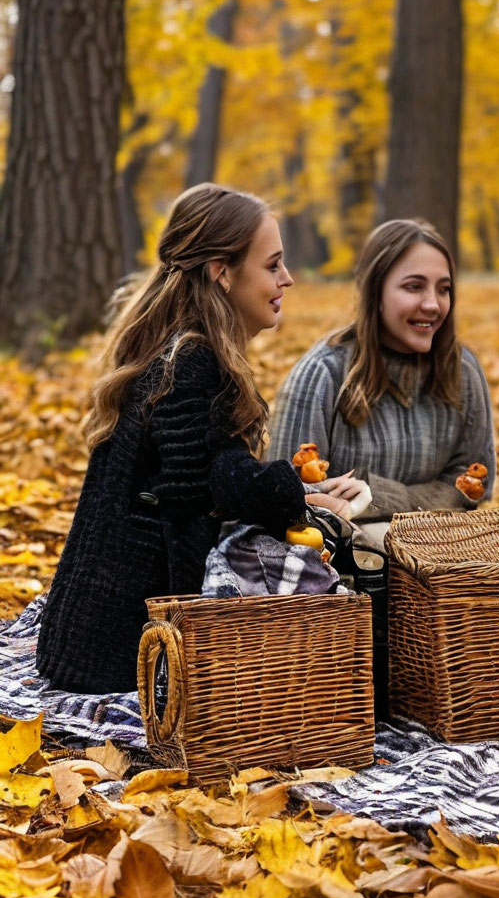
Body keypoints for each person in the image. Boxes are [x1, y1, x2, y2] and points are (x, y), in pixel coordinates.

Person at [35, 183, 351, 693]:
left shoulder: (181, 351)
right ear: (221, 272)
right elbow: (205, 491)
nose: (287, 279)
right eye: (272, 265)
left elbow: (209, 470)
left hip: (99, 635)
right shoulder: (191, 360)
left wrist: (301, 492)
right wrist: (295, 491)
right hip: (118, 647)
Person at [267, 219, 496, 523]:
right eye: (413, 287)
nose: (433, 304)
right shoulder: (322, 375)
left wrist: (374, 494)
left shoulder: (463, 370)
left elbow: (471, 484)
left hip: (436, 554)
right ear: (374, 293)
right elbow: (284, 497)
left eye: (444, 289)